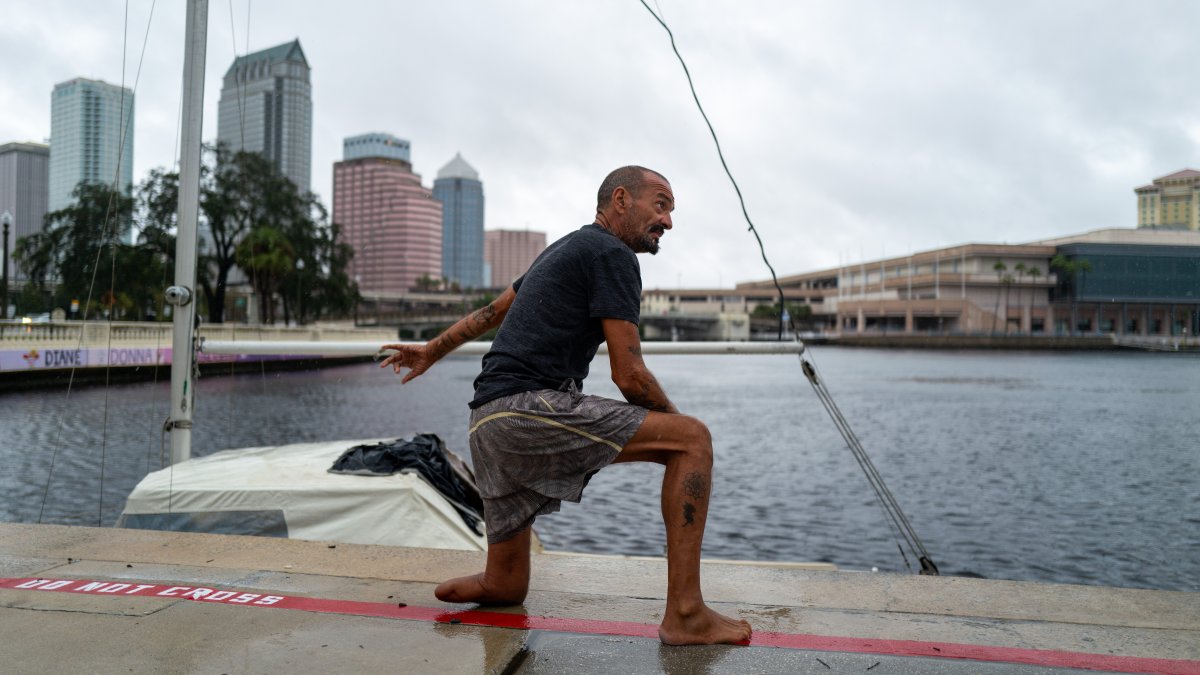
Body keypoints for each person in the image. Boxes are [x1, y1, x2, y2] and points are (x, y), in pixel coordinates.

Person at [380, 166, 752, 646]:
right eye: (660, 205)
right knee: (693, 440)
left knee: (508, 586)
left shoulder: (564, 248)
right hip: (525, 412)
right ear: (621, 199)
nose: (668, 222)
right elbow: (630, 374)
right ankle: (685, 613)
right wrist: (680, 432)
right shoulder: (612, 254)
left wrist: (432, 350)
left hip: (485, 423)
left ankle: (493, 579)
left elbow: (492, 313)